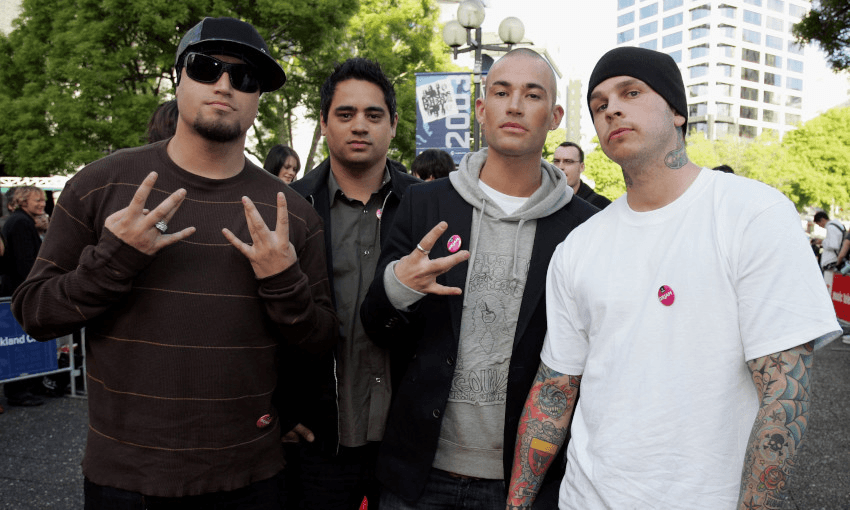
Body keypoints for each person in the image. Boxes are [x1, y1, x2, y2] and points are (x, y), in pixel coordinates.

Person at [11, 17, 339, 508]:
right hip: (125, 477)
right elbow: (35, 313)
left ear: (257, 98)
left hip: (250, 476)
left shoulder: (291, 212)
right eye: (207, 68)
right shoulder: (101, 184)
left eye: (245, 77)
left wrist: (283, 283)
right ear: (178, 78)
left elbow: (321, 342)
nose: (225, 84)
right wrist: (114, 260)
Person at [506, 46, 841, 510]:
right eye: (599, 104)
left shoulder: (752, 213)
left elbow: (784, 398)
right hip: (585, 498)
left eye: (632, 92)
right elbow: (554, 390)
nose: (612, 109)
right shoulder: (578, 248)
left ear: (678, 111)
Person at [359, 48, 597, 509]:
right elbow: (374, 326)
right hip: (418, 474)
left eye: (532, 95)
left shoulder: (584, 228)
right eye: (501, 92)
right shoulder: (425, 205)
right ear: (480, 108)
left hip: (525, 479)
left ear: (554, 116)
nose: (514, 105)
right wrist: (397, 287)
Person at [285, 57, 420, 510]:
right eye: (345, 114)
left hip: (408, 441)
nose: (359, 125)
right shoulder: (287, 207)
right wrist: (277, 404)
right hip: (317, 439)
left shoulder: (426, 207)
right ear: (324, 124)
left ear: (394, 124)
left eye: (373, 114)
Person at [1, 186, 47, 407]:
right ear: (21, 201)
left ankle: (26, 387)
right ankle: (19, 390)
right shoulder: (21, 223)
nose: (42, 203)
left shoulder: (21, 221)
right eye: (36, 200)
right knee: (18, 345)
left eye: (43, 200)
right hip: (20, 293)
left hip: (18, 291)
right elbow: (25, 263)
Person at [551, 141, 611, 209]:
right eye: (556, 161)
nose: (560, 167)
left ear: (581, 167)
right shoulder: (544, 201)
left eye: (568, 161)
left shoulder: (602, 206)